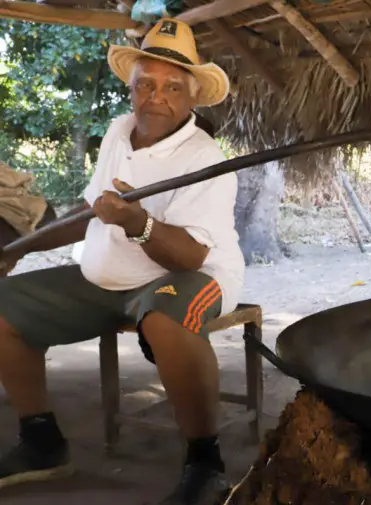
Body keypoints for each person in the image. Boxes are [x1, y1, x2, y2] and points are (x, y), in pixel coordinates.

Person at [0, 18, 244, 505]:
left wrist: (138, 223)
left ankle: (205, 461)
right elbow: (94, 211)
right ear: (131, 89)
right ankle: (42, 442)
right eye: (146, 84)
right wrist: (16, 249)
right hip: (105, 278)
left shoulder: (205, 158)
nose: (157, 95)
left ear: (192, 97)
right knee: (3, 307)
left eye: (173, 86)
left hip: (191, 276)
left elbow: (191, 253)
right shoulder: (118, 131)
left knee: (167, 316)